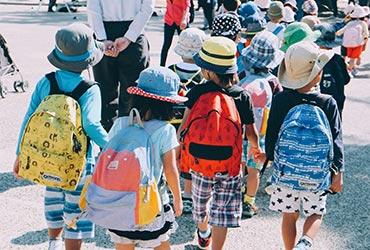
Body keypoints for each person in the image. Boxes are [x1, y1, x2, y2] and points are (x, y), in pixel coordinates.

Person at [12, 23, 109, 250]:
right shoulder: (89, 88)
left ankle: (53, 242)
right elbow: (92, 124)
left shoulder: (46, 81)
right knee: (75, 209)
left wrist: (20, 153)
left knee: (53, 200)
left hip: (45, 157)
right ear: (88, 60)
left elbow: (29, 119)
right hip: (78, 162)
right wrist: (111, 146)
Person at [177, 36, 262, 249]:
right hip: (230, 163)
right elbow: (251, 132)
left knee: (200, 205)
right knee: (222, 211)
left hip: (199, 163)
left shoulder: (196, 92)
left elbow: (183, 129)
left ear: (207, 71)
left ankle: (203, 231)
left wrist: (179, 152)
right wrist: (255, 148)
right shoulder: (242, 96)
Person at [265, 41, 344, 250]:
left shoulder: (280, 99)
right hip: (316, 174)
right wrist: (338, 172)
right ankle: (305, 242)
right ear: (317, 74)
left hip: (286, 172)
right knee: (316, 213)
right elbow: (336, 140)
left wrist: (271, 158)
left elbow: (271, 136)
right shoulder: (328, 102)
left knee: (289, 216)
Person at [106, 66, 184, 249]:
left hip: (121, 200)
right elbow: (170, 169)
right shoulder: (165, 130)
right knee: (160, 244)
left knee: (124, 244)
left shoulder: (121, 123)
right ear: (168, 103)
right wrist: (178, 199)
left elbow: (107, 155)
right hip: (152, 201)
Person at [87, 0, 154, 132]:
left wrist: (102, 39)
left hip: (106, 30)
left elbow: (93, 8)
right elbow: (147, 7)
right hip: (134, 34)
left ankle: (107, 141)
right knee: (133, 92)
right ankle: (130, 137)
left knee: (105, 92)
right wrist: (129, 37)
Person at [238, 30, 284, 218]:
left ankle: (235, 194)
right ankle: (249, 201)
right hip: (261, 135)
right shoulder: (273, 82)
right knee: (254, 170)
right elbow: (279, 105)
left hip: (240, 133)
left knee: (239, 166)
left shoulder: (242, 76)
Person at [168, 27, 207, 214]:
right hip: (192, 124)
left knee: (170, 157)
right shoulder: (203, 75)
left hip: (169, 123)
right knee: (189, 159)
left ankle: (169, 190)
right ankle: (188, 194)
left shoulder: (170, 71)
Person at [313, 23, 350, 118]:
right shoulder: (338, 59)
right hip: (336, 102)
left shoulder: (312, 59)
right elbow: (346, 80)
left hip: (316, 103)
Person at [336, 5, 369, 77]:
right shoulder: (363, 23)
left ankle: (348, 67)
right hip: (357, 44)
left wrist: (337, 33)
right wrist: (365, 38)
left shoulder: (350, 23)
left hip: (347, 43)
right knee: (352, 59)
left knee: (347, 56)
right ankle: (349, 70)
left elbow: (342, 30)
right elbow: (366, 33)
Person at [160, 0, 190, 66]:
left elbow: (187, 6)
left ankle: (188, 65)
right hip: (169, 20)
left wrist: (184, 19)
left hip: (181, 21)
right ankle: (162, 66)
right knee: (166, 44)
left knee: (186, 44)